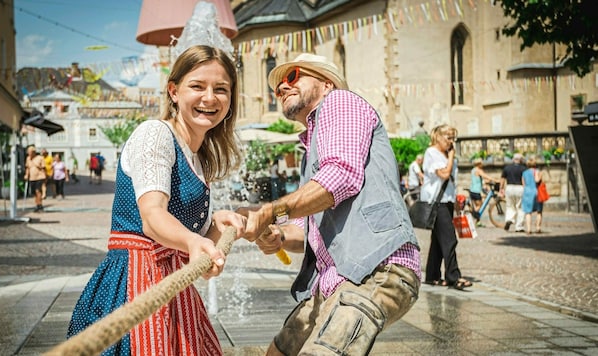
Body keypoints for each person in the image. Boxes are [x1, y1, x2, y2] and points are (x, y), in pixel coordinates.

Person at [67, 45, 248, 355]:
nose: (209, 97)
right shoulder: (155, 134)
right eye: (197, 86)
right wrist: (193, 243)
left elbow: (198, 256)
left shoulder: (199, 157)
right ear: (173, 91)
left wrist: (218, 225)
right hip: (134, 282)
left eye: (221, 89)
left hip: (174, 284)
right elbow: (152, 218)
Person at [241, 53, 421, 355]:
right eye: (277, 87)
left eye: (292, 76)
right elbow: (303, 231)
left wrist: (269, 210)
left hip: (377, 269)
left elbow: (342, 175)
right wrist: (279, 236)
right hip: (335, 283)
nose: (282, 88)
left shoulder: (339, 102)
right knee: (278, 352)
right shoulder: (310, 150)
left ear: (326, 83)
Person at [420, 124, 473, 290]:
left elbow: (451, 180)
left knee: (438, 240)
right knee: (450, 239)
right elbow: (444, 174)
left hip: (447, 200)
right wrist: (450, 158)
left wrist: (456, 201)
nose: (451, 142)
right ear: (438, 137)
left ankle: (432, 275)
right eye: (448, 138)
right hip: (436, 201)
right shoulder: (432, 153)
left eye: (453, 138)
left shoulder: (447, 155)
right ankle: (453, 276)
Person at [500, 153, 527, 232]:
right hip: (520, 187)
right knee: (520, 208)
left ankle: (509, 219)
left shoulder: (507, 168)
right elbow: (524, 180)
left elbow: (502, 179)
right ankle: (519, 227)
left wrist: (501, 189)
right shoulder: (524, 168)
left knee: (510, 206)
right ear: (520, 160)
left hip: (509, 187)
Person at [469, 157, 500, 226]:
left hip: (472, 189)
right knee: (479, 205)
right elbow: (485, 176)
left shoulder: (473, 170)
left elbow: (479, 179)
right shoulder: (478, 170)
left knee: (478, 205)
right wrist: (495, 180)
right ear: (479, 164)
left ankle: (477, 222)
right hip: (476, 190)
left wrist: (488, 181)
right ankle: (473, 216)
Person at [521, 156, 543, 234]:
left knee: (528, 212)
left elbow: (523, 184)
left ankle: (529, 229)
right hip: (537, 192)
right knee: (539, 211)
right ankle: (538, 227)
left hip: (527, 192)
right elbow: (538, 181)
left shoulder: (524, 173)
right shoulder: (538, 171)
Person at [24, 146, 46, 212]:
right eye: (28, 152)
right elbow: (28, 167)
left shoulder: (40, 158)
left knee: (38, 191)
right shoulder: (28, 159)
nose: (29, 154)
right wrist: (26, 175)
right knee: (34, 192)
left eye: (30, 152)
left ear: (33, 152)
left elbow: (43, 167)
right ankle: (37, 204)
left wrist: (37, 165)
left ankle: (40, 205)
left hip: (39, 177)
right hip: (32, 178)